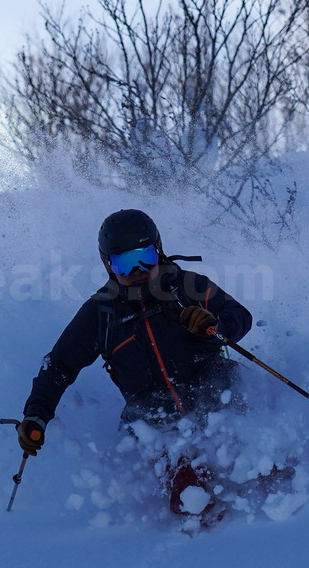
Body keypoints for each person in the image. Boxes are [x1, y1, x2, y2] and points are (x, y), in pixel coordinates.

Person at [15, 209, 254, 521]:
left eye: (145, 257)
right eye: (124, 263)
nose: (137, 270)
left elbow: (239, 316)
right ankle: (197, 504)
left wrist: (216, 324)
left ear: (159, 250)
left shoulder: (188, 287)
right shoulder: (101, 313)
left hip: (212, 396)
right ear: (108, 265)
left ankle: (265, 465)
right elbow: (59, 365)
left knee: (235, 406)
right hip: (157, 421)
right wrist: (37, 413)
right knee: (191, 500)